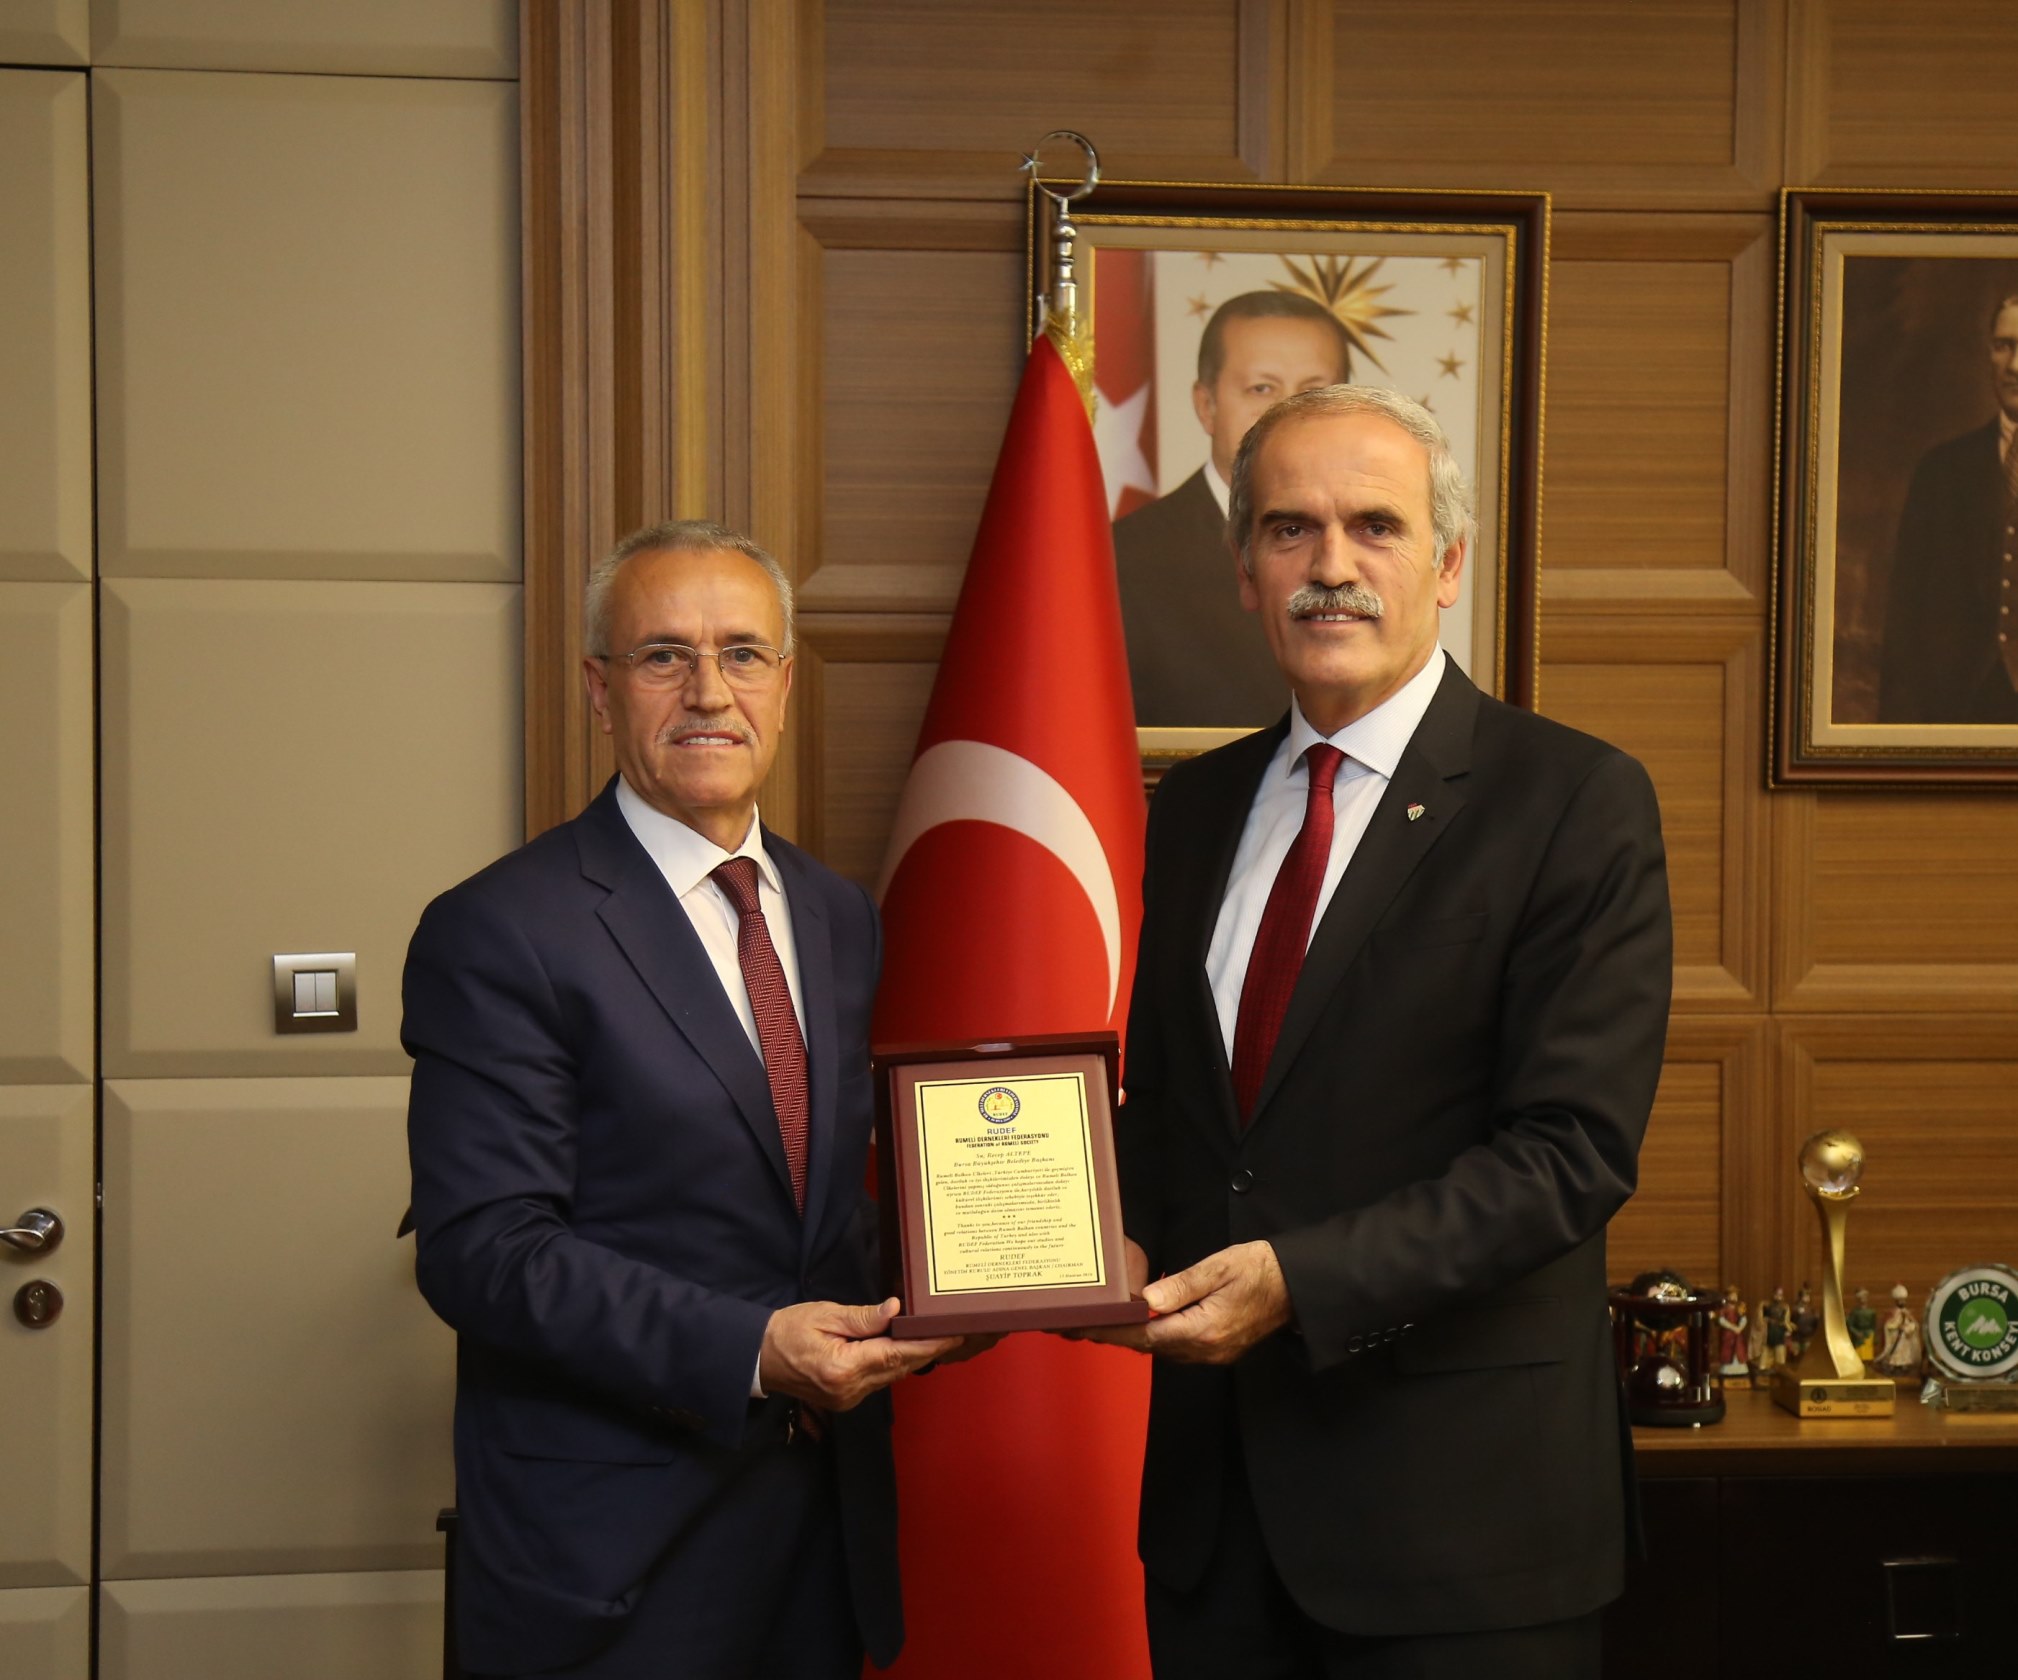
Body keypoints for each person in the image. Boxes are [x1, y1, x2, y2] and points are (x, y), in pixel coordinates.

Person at [1089, 385, 1673, 1678]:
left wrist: (1297, 1283)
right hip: (1217, 1527)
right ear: (1243, 570)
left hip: (1460, 1536)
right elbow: (1176, 1113)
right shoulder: (1194, 808)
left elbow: (1568, 1154)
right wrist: (1076, 1240)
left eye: (1375, 526)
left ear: (1446, 564)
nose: (1330, 566)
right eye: (1288, 529)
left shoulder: (1570, 800)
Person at [402, 520, 961, 1679]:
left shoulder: (835, 914)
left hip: (816, 1541)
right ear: (599, 690)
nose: (710, 691)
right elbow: (483, 1252)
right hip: (613, 1560)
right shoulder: (501, 930)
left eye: (742, 653)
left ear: (785, 684)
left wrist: (989, 1272)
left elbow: (813, 1215)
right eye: (664, 656)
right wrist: (750, 1348)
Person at [1113, 292, 1354, 728]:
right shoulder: (1118, 561)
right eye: (1262, 388)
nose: (1288, 412)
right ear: (1207, 406)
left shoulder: (1379, 545)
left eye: (1314, 392)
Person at [1877, 292, 2018, 723]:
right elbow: (1905, 620)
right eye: (2003, 346)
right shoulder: (1942, 470)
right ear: (1988, 354)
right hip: (1956, 715)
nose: (2014, 365)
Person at [1874, 1283, 1924, 1379]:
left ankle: (1904, 1366)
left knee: (1905, 1354)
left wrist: (1907, 1328)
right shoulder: (1892, 1314)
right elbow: (1888, 1325)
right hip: (1895, 1338)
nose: (1902, 1302)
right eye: (1900, 1300)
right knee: (1895, 1354)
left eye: (1903, 1300)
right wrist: (1897, 1327)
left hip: (1905, 1339)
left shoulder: (1908, 1313)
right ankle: (1894, 1367)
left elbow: (1913, 1325)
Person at [1716, 1285, 1750, 1380]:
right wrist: (1732, 1327)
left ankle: (1740, 1369)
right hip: (1728, 1334)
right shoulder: (1724, 1308)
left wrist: (1739, 1328)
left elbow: (1744, 1318)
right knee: (1728, 1350)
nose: (1734, 1298)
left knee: (1739, 1349)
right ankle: (1727, 1369)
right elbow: (1721, 1320)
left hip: (1737, 1335)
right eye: (1731, 1296)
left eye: (1735, 1296)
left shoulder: (1739, 1307)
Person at [1847, 1286, 1879, 1363]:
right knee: (1859, 1355)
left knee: (1868, 1355)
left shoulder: (1872, 1312)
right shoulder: (1855, 1312)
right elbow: (1850, 1325)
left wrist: (1874, 1336)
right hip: (1859, 1336)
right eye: (1861, 1297)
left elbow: (1874, 1325)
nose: (1863, 1299)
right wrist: (1856, 1332)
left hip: (1869, 1334)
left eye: (1864, 1297)